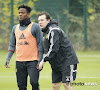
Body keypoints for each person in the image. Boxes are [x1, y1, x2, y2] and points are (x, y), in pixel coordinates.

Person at [5, 5, 43, 90]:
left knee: (34, 82)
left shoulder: (35, 27)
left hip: (32, 61)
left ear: (28, 14)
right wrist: (8, 58)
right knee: (21, 86)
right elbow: (12, 45)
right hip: (19, 62)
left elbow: (40, 45)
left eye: (22, 13)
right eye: (19, 13)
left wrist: (40, 61)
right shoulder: (15, 28)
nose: (20, 14)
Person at [38, 12, 79, 90]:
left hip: (67, 61)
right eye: (39, 20)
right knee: (55, 86)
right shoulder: (45, 32)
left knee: (66, 85)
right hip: (56, 63)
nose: (40, 22)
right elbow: (45, 49)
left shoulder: (54, 30)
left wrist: (43, 61)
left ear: (48, 21)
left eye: (42, 20)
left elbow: (54, 48)